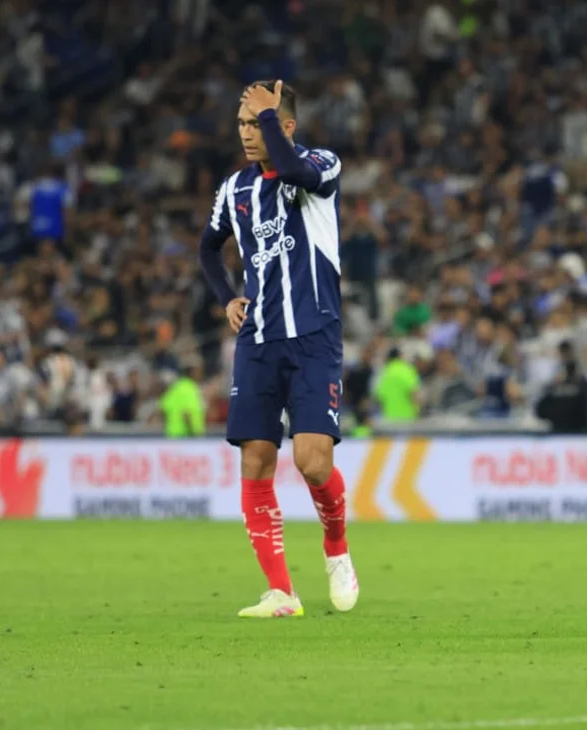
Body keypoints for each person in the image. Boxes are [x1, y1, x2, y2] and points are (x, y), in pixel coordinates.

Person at [198, 80, 358, 618]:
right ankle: (281, 593)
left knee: (313, 463)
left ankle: (335, 547)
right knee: (257, 459)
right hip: (259, 341)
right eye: (242, 124)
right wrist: (227, 297)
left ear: (285, 127)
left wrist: (271, 116)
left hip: (314, 337)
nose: (247, 134)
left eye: (257, 122)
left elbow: (293, 171)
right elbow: (207, 247)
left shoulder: (321, 165)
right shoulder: (234, 189)